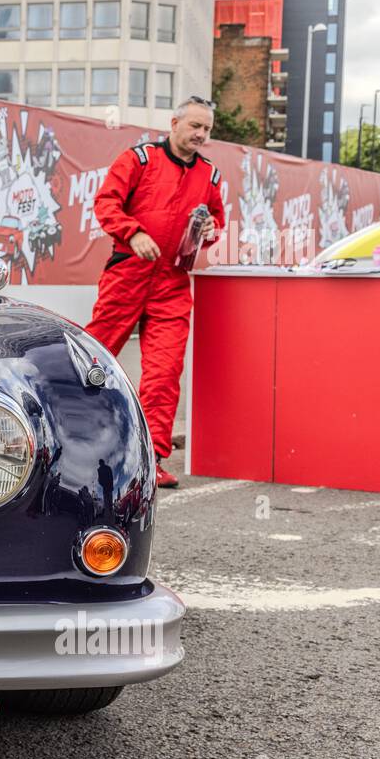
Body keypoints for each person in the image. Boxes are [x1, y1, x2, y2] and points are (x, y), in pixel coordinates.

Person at [86, 96, 226, 489]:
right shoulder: (140, 159)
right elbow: (106, 203)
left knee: (164, 374)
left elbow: (217, 220)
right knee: (93, 356)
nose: (200, 134)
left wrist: (212, 230)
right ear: (175, 122)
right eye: (195, 126)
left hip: (173, 282)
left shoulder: (210, 175)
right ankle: (67, 434)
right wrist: (134, 233)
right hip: (128, 272)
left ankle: (152, 459)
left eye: (207, 129)